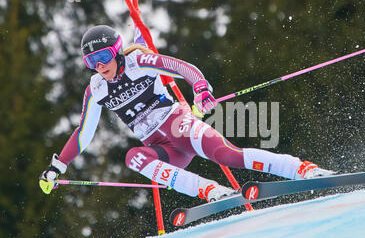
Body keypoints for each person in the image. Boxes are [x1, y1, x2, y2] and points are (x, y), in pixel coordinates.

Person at [39, 25, 334, 202]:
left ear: (116, 51)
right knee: (134, 158)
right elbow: (83, 134)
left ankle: (301, 169)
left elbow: (182, 68)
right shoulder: (96, 89)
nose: (100, 66)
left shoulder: (138, 61)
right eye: (91, 61)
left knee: (227, 155)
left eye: (103, 57)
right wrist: (57, 167)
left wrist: (201, 89)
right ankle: (208, 190)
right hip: (161, 146)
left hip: (178, 125)